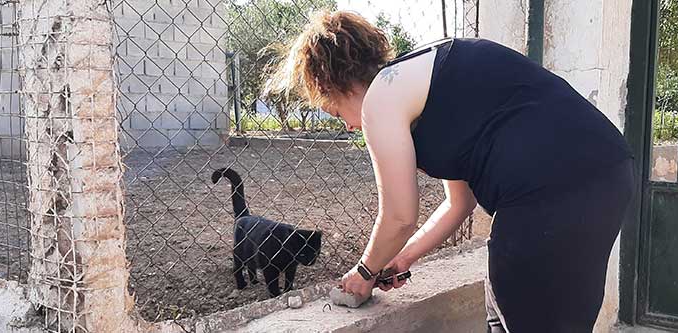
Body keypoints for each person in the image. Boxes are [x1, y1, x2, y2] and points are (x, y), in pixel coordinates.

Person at [270, 10, 635, 332]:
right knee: (522, 313)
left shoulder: (382, 97)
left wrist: (363, 273)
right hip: (608, 173)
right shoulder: (431, 80)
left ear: (333, 83)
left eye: (336, 113)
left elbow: (398, 217)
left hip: (548, 193)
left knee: (522, 313)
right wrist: (402, 257)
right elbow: (458, 204)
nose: (350, 126)